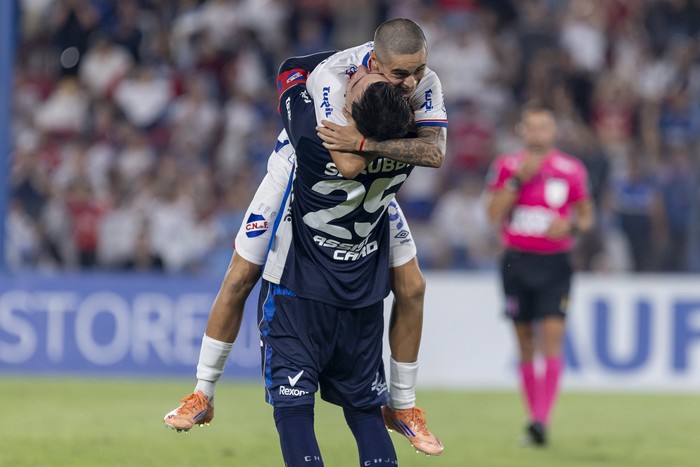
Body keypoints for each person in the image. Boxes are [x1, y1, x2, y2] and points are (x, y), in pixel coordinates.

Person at [164, 18, 447, 456]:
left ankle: (404, 406)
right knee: (241, 273)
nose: (413, 82)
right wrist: (379, 146)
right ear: (370, 64)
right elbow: (345, 163)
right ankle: (203, 390)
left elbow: (435, 151)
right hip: (296, 171)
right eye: (400, 74)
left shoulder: (423, 80)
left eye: (418, 70)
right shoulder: (333, 78)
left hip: (370, 187)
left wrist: (369, 143)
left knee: (412, 286)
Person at [258, 50, 413, 467]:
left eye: (356, 86)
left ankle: (204, 384)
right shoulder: (404, 155)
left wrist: (364, 53)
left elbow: (290, 69)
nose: (352, 80)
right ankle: (407, 400)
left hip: (300, 289)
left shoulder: (312, 138)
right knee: (364, 411)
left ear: (350, 111)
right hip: (361, 292)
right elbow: (426, 140)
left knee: (292, 410)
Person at [485, 101, 594, 446]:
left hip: (555, 264)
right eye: (530, 127)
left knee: (552, 334)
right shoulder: (506, 167)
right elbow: (492, 214)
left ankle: (540, 421)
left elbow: (587, 217)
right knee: (525, 343)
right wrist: (518, 181)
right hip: (516, 261)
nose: (537, 133)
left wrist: (572, 226)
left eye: (543, 127)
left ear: (553, 132)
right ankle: (534, 417)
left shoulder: (571, 169)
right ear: (522, 131)